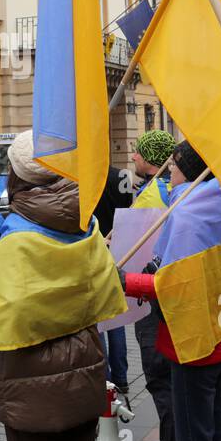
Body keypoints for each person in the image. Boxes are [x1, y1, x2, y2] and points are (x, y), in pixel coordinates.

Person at [0, 130, 127, 441]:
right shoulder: (87, 223)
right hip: (86, 372)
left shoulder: (18, 239)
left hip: (31, 388)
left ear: (15, 177)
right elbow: (104, 290)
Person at [121, 141, 221, 441]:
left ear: (190, 169)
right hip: (219, 332)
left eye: (173, 166)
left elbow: (174, 286)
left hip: (192, 341)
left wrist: (126, 281)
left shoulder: (189, 211)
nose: (169, 171)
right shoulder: (220, 201)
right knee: (214, 430)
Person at [127, 128, 183, 441]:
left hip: (153, 299)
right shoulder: (163, 190)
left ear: (152, 160)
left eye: (138, 152)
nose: (132, 157)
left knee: (161, 377)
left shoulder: (154, 196)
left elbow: (140, 251)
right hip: (163, 296)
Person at [93, 165, 133, 393]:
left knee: (99, 319)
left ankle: (106, 380)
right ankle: (122, 377)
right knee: (116, 319)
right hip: (118, 245)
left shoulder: (85, 176)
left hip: (95, 247)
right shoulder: (122, 175)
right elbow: (128, 208)